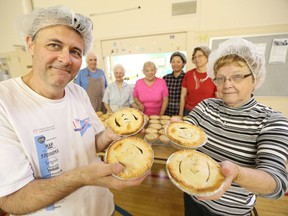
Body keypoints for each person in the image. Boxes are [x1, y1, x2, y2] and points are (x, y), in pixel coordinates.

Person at [0, 6, 146, 216]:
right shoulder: (5, 102)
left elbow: (90, 143)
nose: (66, 59)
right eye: (54, 45)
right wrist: (82, 177)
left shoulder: (77, 92)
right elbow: (11, 201)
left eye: (75, 52)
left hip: (103, 209)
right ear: (30, 44)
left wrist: (109, 135)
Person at [182, 38, 288, 216]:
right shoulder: (206, 106)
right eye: (220, 78)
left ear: (254, 79)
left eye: (237, 76)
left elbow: (276, 182)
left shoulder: (271, 121)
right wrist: (177, 132)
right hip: (192, 197)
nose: (227, 84)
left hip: (231, 211)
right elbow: (185, 137)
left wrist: (237, 173)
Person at [179, 46, 218, 116]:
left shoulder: (214, 75)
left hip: (208, 112)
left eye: (200, 56)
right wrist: (181, 114)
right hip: (189, 112)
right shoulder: (188, 74)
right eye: (194, 57)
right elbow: (183, 96)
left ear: (207, 57)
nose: (197, 59)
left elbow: (219, 97)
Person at [163, 52, 186, 116]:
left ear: (183, 63)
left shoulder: (187, 77)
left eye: (178, 62)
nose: (175, 64)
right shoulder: (165, 78)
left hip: (182, 113)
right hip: (167, 112)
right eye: (173, 62)